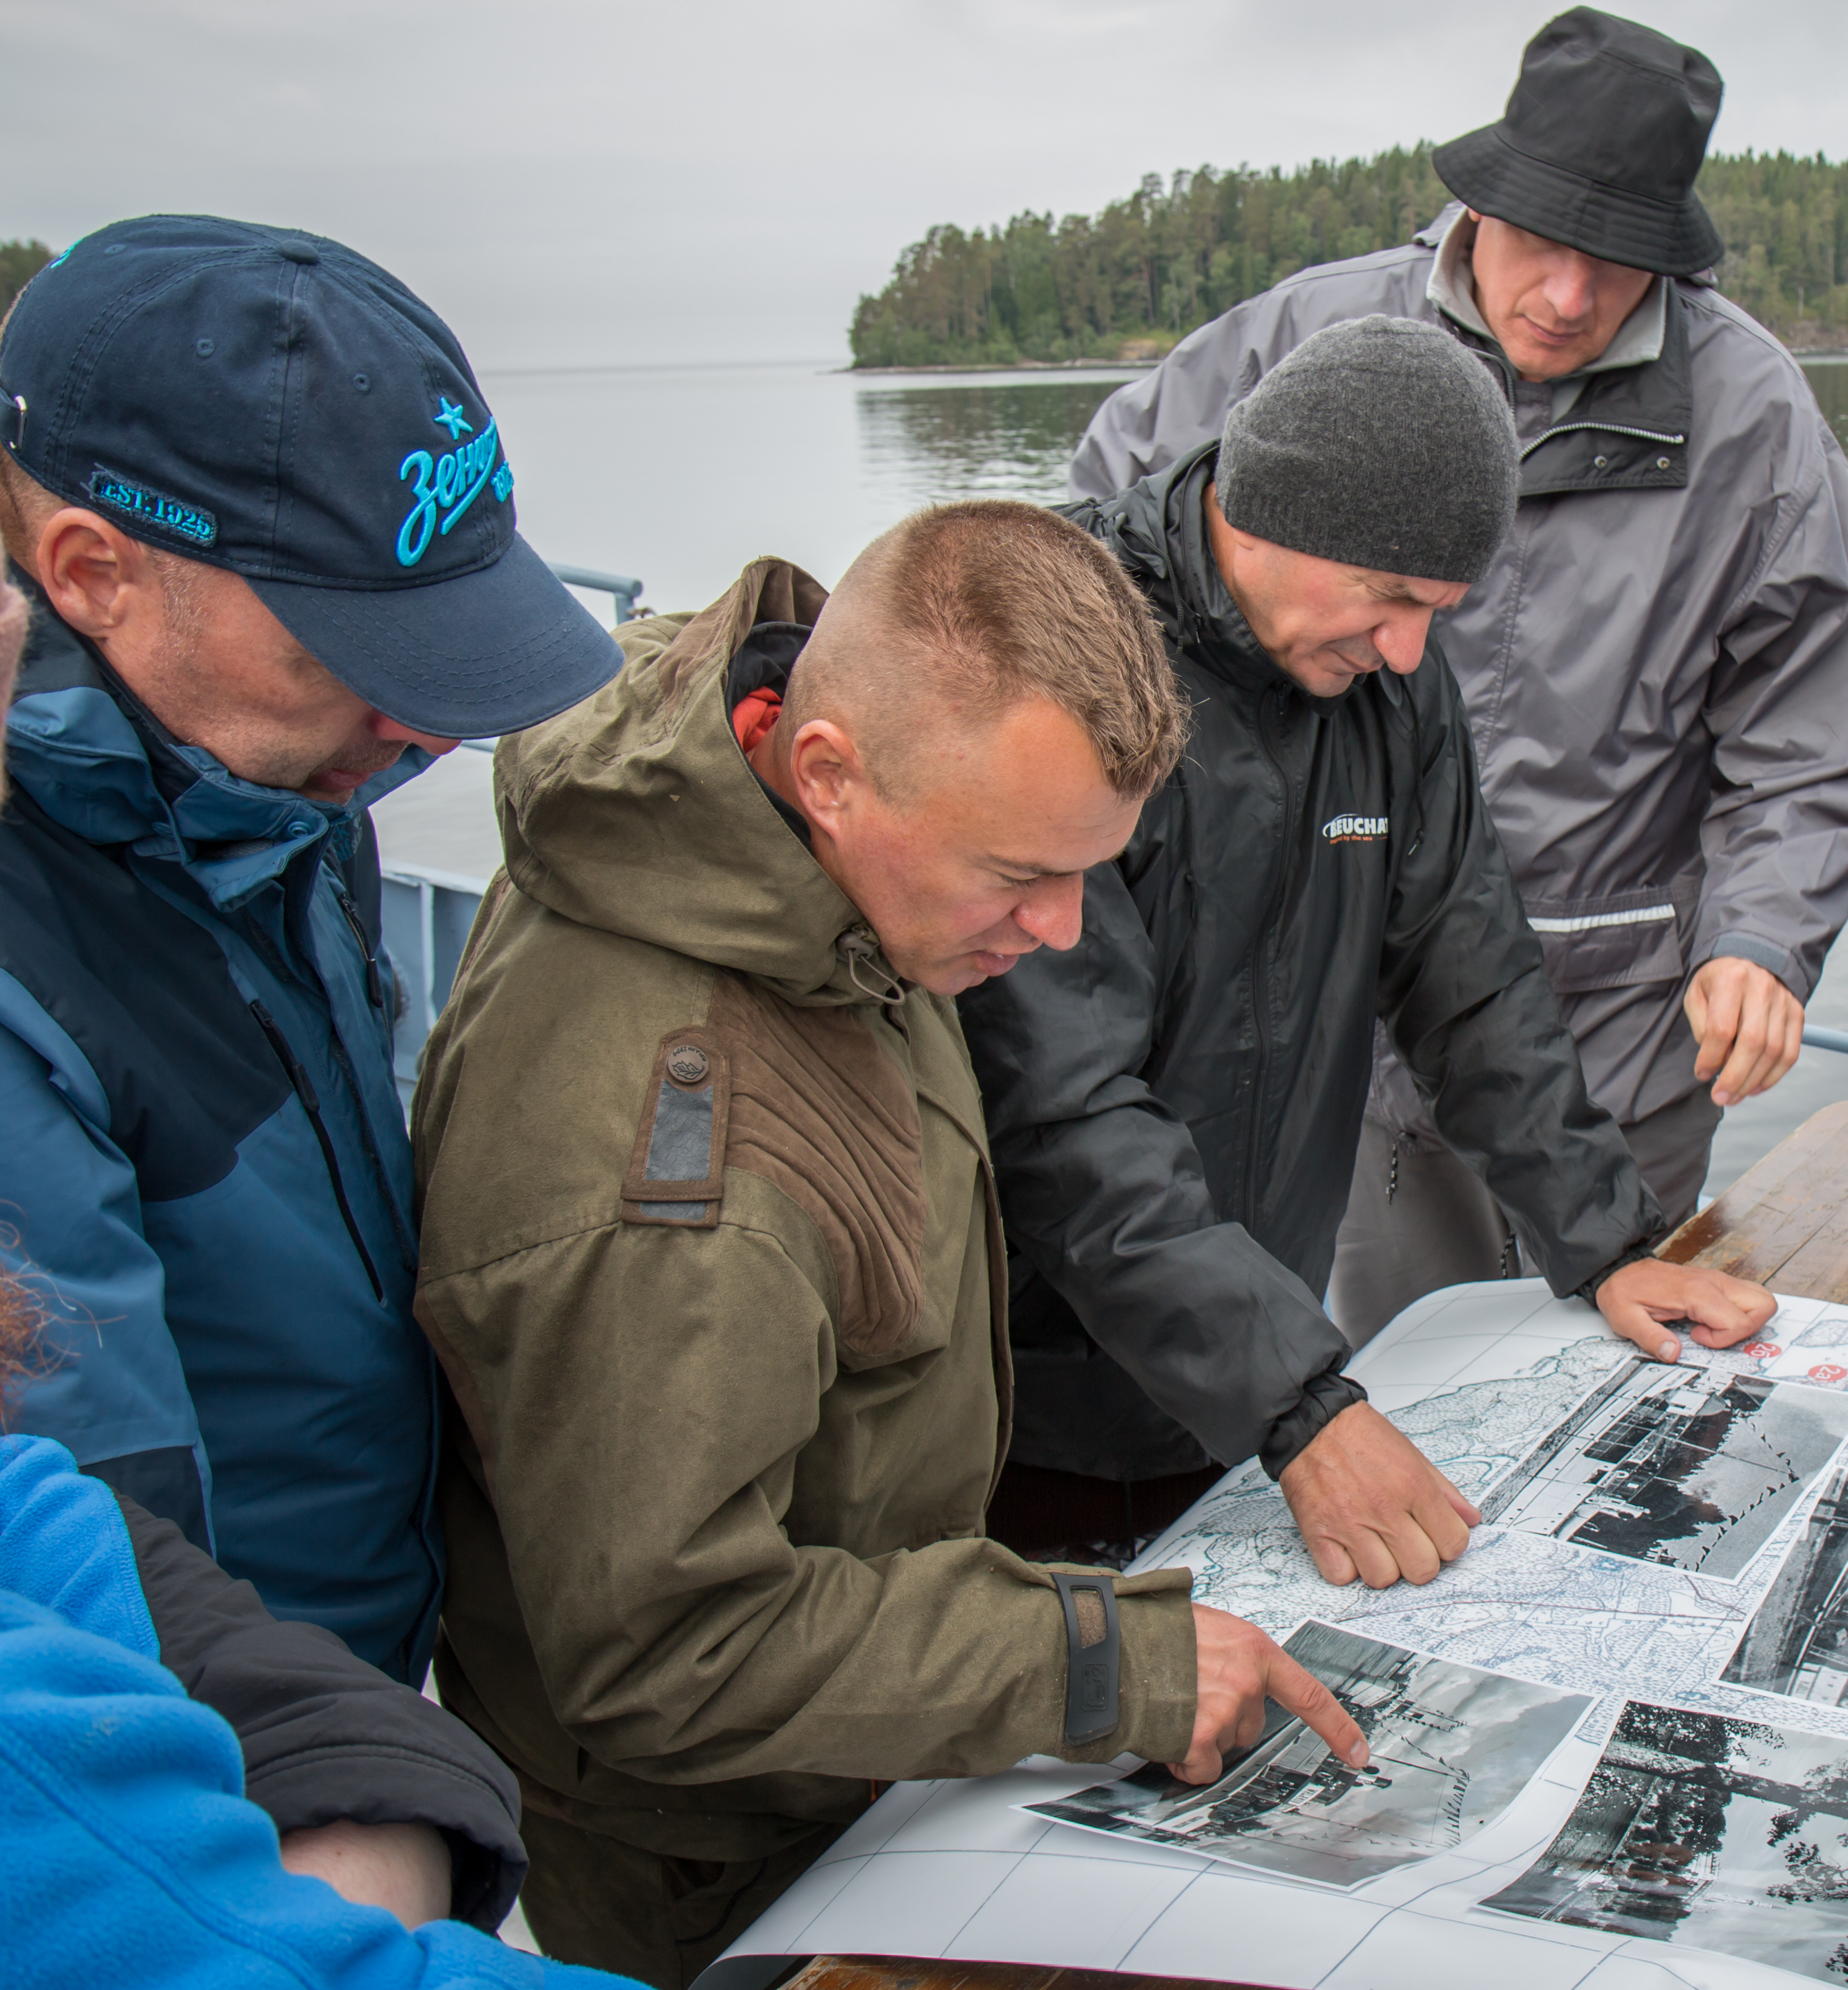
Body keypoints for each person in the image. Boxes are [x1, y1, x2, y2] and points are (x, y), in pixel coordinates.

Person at [410, 502, 1368, 1988]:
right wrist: (1094, 1660)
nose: (1058, 933)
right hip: (718, 1854)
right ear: (825, 772)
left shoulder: (793, 848)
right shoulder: (677, 1178)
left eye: (1092, 874)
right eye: (1016, 876)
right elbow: (668, 1649)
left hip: (858, 1735)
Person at [1069, 7, 1848, 1337]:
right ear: (1478, 201)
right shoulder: (1305, 337)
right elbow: (1103, 568)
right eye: (1543, 243)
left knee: (1610, 1341)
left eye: (1617, 263)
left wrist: (1763, 937)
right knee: (1394, 1356)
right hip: (1326, 985)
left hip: (1618, 1013)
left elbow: (1816, 728)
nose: (1568, 298)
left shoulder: (1755, 419)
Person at [964, 315, 1775, 1584]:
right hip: (1024, 1393)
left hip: (1248, 1369)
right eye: (1391, 598)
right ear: (1267, 510)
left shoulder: (1384, 680)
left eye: (1439, 611)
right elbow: (1062, 1110)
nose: (1409, 649)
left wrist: (1608, 1240)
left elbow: (1472, 977)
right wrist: (1301, 1411)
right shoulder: (1070, 661)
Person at [0, 215, 624, 1682]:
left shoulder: (267, 790)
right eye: (355, 651)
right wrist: (339, 1806)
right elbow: (90, 1592)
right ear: (91, 573)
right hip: (224, 1771)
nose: (420, 728)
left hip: (368, 1668)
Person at [0, 573, 618, 1985]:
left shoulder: (296, 819)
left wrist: (384, 1778)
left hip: (346, 1639)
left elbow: (74, 1537)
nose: (418, 737)